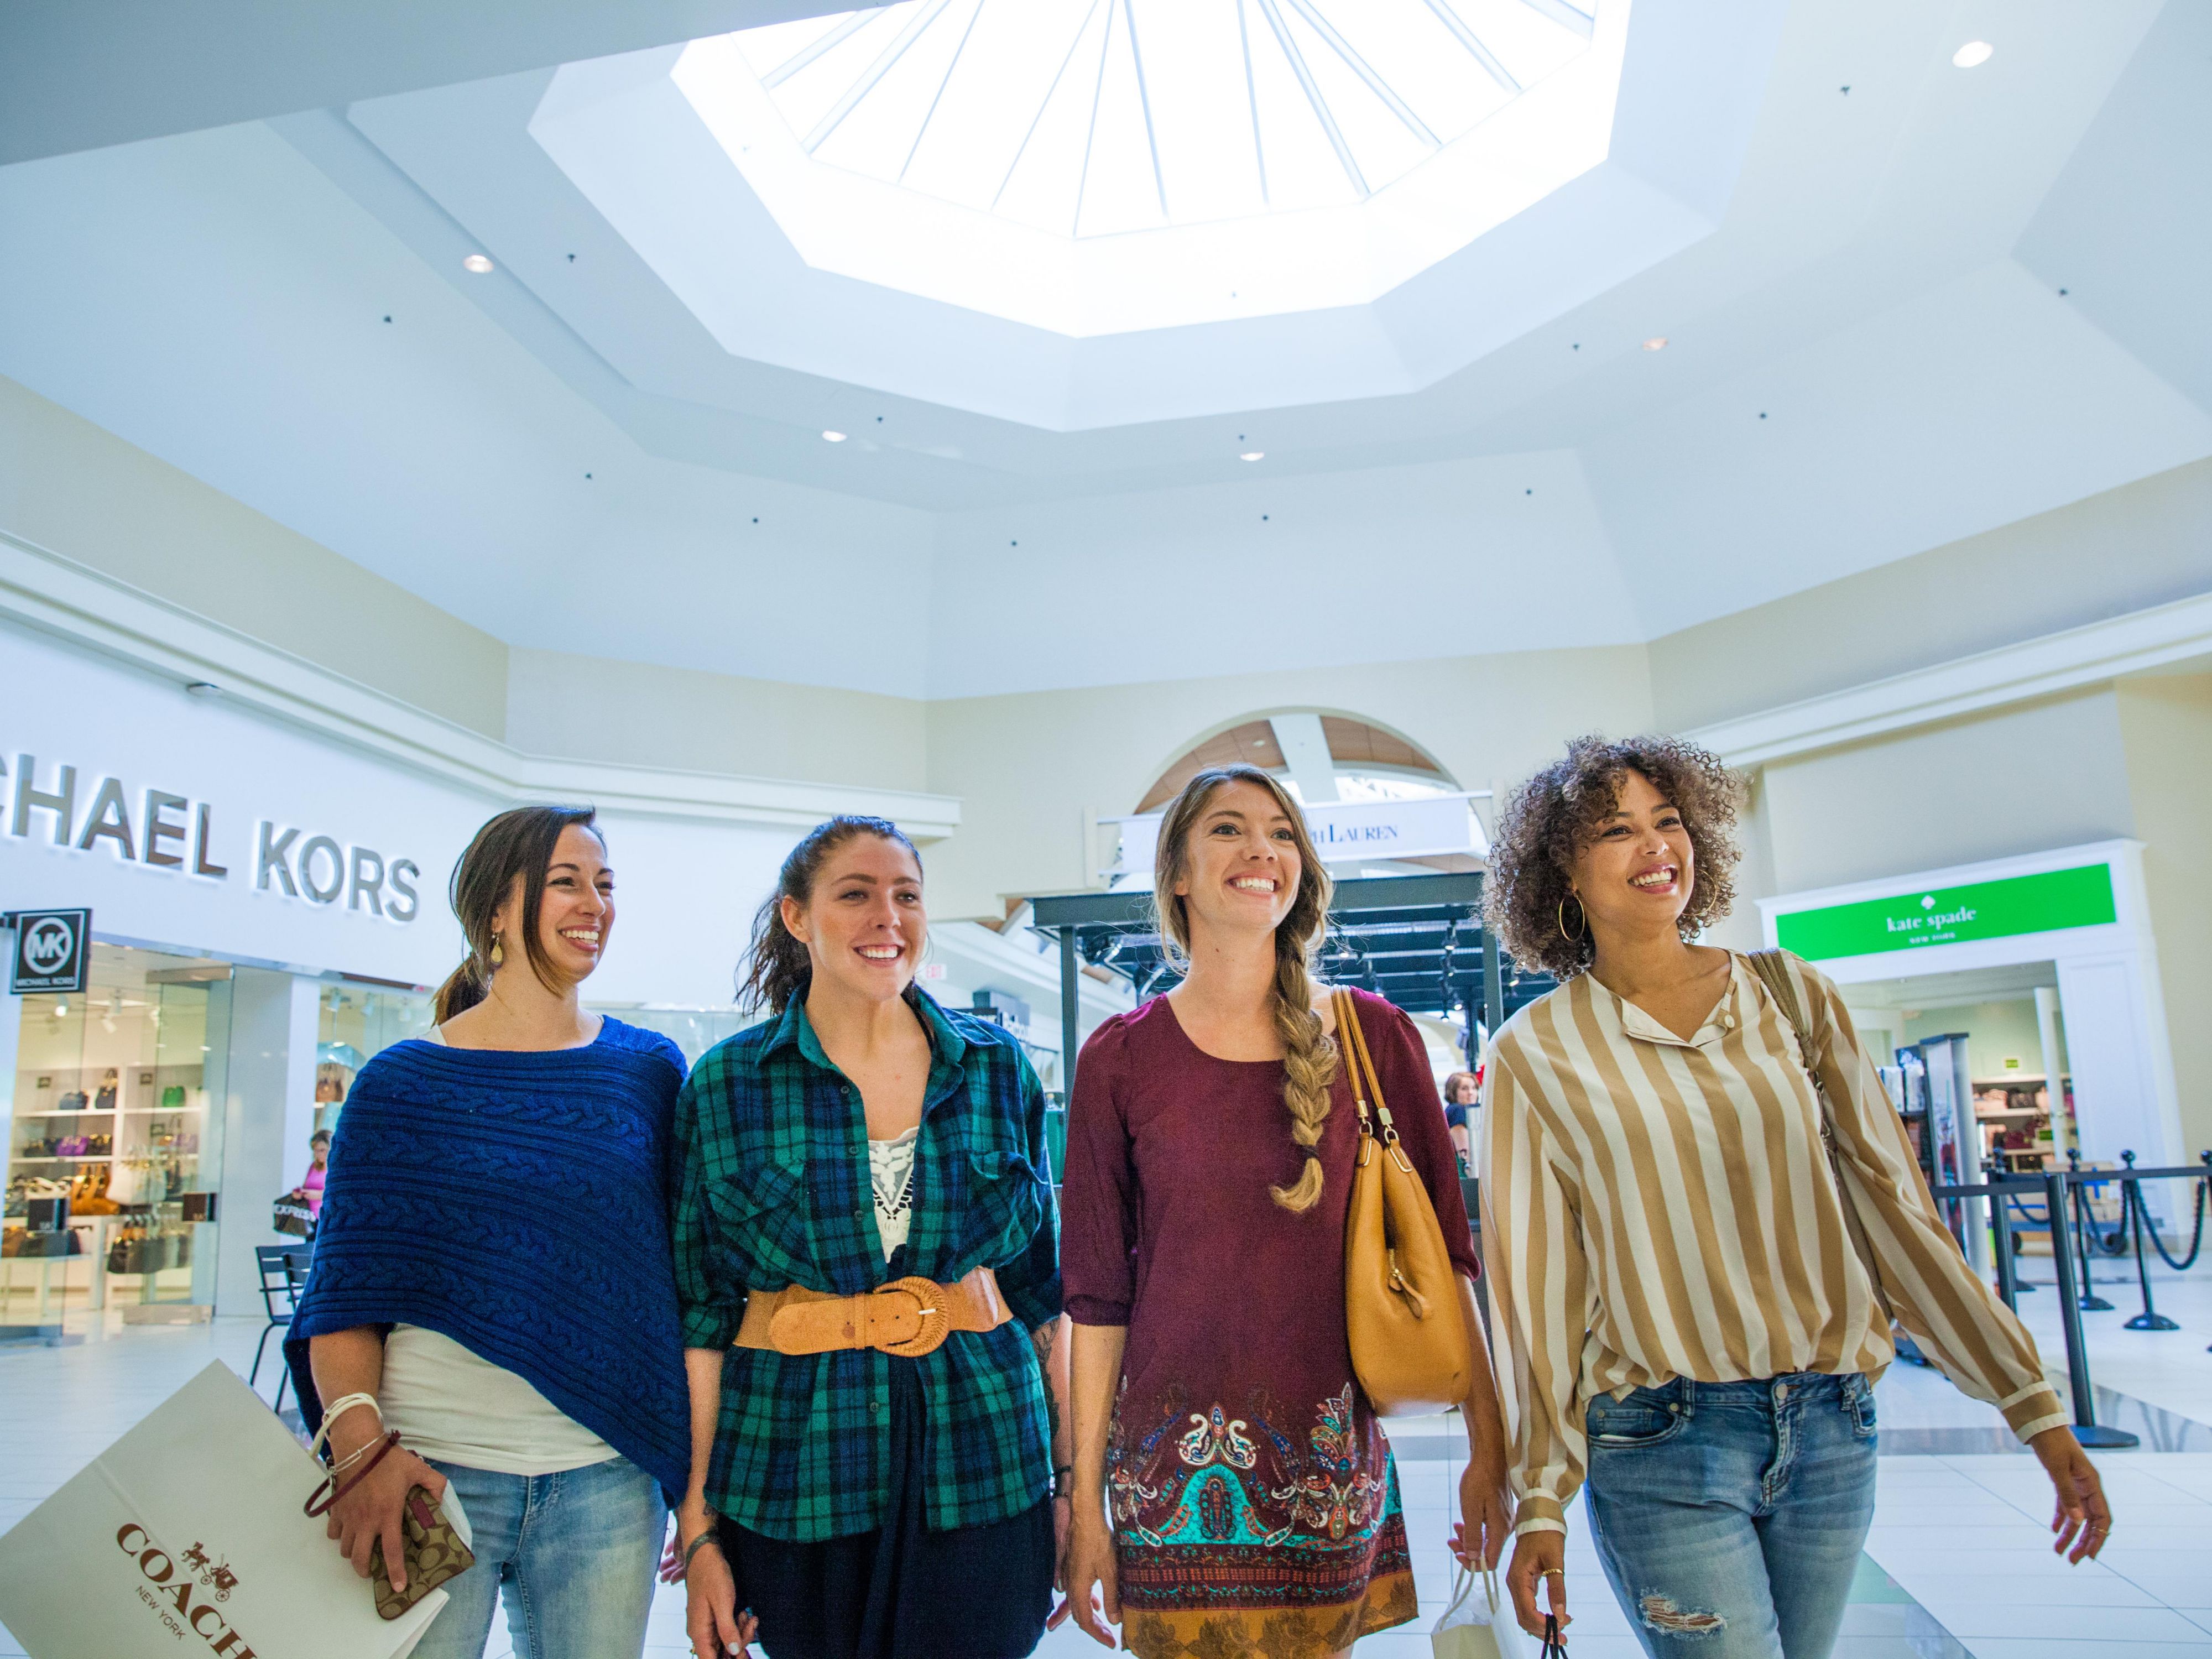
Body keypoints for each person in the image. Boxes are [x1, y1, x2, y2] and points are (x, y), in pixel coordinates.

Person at [1478, 735, 2112, 1659]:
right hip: (1662, 1436)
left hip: (1832, 1423)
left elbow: (1898, 1215)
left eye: (1669, 821)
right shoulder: (1534, 1055)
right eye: (1618, 830)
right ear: (1562, 873)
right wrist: (1541, 1497)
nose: (1658, 848)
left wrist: (2031, 1404)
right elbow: (1538, 1293)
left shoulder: (1792, 996)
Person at [1060, 765, 1512, 1659]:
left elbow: (1449, 1262)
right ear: (1178, 874)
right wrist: (1086, 1510)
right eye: (1228, 829)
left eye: (1281, 832)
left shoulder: (1375, 1038)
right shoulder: (1117, 1060)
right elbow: (1098, 1302)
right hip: (1163, 1482)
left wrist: (1491, 1454)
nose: (1262, 849)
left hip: (1326, 1468)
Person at [286, 806, 691, 1659]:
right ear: (496, 909)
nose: (596, 904)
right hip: (429, 1476)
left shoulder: (649, 1072)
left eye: (606, 884)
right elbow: (343, 1300)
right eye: (567, 881)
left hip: (605, 1486)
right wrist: (361, 1455)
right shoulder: (401, 1084)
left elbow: (684, 1283)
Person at [673, 815, 1068, 1659]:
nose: (887, 917)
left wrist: (1070, 1484)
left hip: (985, 1461)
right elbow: (703, 1315)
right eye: (855, 895)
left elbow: (1042, 1293)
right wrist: (699, 1527)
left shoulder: (997, 1070)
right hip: (795, 1470)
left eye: (907, 896)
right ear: (796, 917)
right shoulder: (727, 1085)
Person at [1441, 1069, 1478, 1174]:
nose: (1471, 1093)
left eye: (1474, 1088)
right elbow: (1464, 1154)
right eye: (1464, 1089)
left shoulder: (1452, 1110)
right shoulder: (1457, 1110)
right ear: (1453, 1091)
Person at [300, 1129, 331, 1224]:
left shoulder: (336, 1168)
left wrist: (318, 1195)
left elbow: (340, 1194)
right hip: (309, 1218)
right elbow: (305, 1186)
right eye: (315, 1150)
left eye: (322, 1150)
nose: (318, 1154)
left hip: (327, 1218)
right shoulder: (313, 1166)